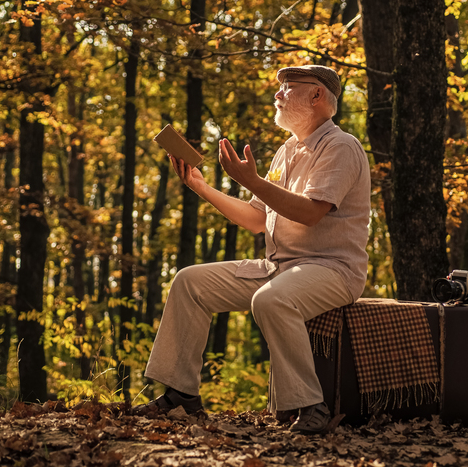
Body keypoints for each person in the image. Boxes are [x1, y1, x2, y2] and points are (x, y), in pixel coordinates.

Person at [137, 64, 371, 434]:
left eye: (288, 88)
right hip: (279, 268)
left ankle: (310, 405)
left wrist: (253, 181)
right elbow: (256, 218)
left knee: (270, 299)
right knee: (189, 282)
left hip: (333, 270)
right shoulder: (286, 151)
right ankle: (182, 395)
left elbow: (311, 213)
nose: (277, 95)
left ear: (317, 96)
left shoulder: (340, 146)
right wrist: (202, 187)